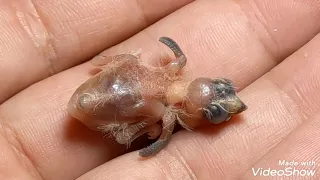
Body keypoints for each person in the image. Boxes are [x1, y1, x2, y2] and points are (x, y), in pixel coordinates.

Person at [0, 0, 319, 179]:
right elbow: (156, 137)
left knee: (109, 89)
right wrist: (154, 140)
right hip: (94, 100)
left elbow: (157, 136)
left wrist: (155, 140)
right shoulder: (167, 107)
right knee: (105, 94)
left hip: (97, 99)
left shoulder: (172, 78)